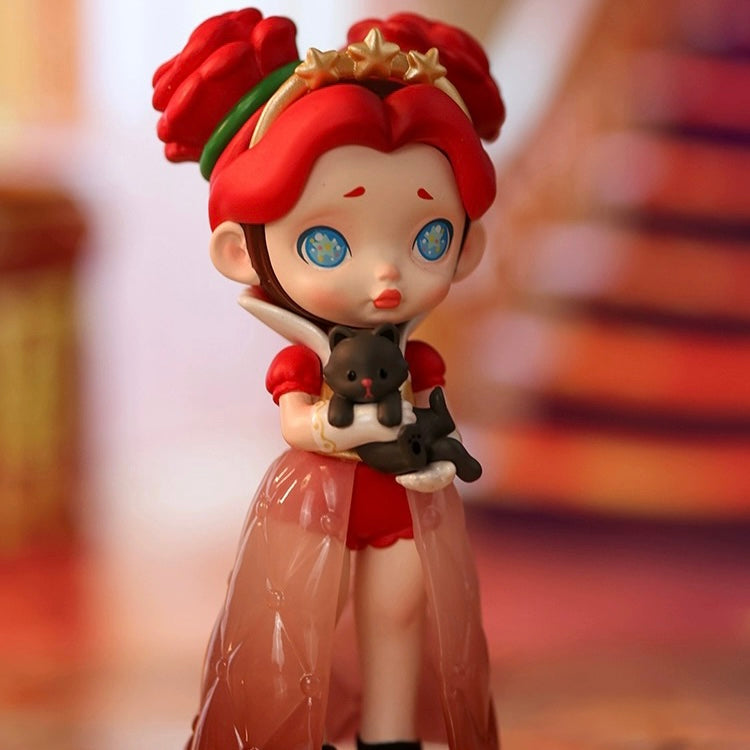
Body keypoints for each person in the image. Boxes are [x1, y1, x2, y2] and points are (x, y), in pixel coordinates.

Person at [152, 8, 504, 750]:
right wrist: (352, 426)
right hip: (318, 504)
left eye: (428, 237)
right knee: (304, 626)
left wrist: (435, 447)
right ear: (240, 253)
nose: (385, 274)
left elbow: (434, 406)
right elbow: (295, 421)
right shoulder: (305, 361)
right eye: (327, 243)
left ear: (466, 249)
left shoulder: (416, 356)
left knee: (402, 615)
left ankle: (390, 735)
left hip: (402, 501)